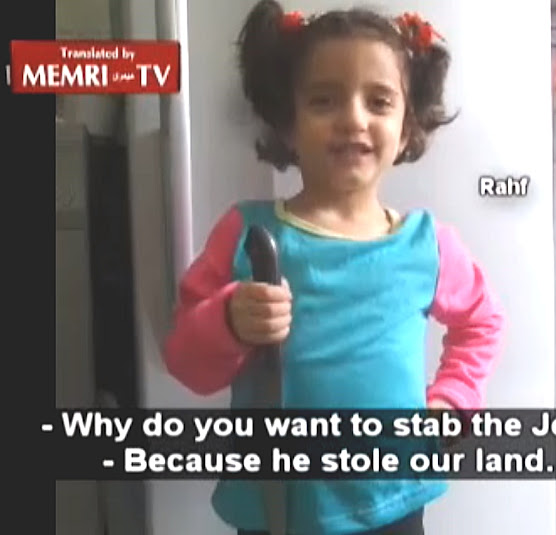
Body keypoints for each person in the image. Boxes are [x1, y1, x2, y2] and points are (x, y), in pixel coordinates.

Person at [163, 1, 505, 534]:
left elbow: (482, 323)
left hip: (393, 500)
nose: (353, 119)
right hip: (274, 509)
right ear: (289, 123)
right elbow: (185, 361)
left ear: (406, 126)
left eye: (379, 101)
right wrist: (228, 320)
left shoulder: (427, 244)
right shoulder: (248, 234)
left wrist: (453, 400)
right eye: (324, 100)